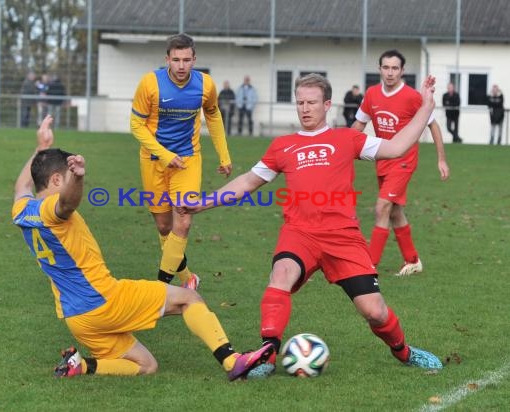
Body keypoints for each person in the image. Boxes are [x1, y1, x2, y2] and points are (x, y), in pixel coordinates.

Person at [180, 73, 443, 377]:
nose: (305, 108)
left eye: (312, 103)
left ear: (327, 104)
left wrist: (425, 106)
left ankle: (405, 352)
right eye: (300, 102)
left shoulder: (347, 138)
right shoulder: (283, 146)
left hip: (343, 237)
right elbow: (247, 182)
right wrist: (202, 203)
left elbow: (396, 147)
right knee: (281, 274)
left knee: (374, 310)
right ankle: (267, 356)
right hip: (300, 233)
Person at [11, 115, 273, 380]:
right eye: (66, 178)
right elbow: (67, 204)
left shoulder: (22, 209)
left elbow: (21, 185)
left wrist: (41, 147)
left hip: (77, 318)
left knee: (146, 365)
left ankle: (81, 365)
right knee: (189, 298)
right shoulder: (51, 212)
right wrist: (78, 178)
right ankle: (232, 362)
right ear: (56, 180)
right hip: (105, 300)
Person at [130, 33, 233, 290]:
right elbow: (136, 125)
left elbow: (213, 115)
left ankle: (160, 288)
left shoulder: (205, 85)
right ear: (167, 59)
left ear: (194, 59)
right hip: (153, 161)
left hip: (188, 160)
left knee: (183, 219)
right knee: (165, 227)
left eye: (187, 60)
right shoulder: (150, 83)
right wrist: (165, 155)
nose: (181, 66)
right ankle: (187, 278)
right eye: (176, 60)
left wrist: (224, 155)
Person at [352, 49, 450, 276]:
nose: (390, 72)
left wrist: (441, 159)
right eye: (386, 67)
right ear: (379, 69)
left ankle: (368, 265)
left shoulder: (412, 97)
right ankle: (412, 260)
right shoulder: (372, 94)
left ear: (402, 71)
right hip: (383, 159)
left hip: (404, 160)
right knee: (394, 212)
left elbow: (433, 125)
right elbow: (358, 126)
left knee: (381, 207)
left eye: (395, 68)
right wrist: (340, 151)